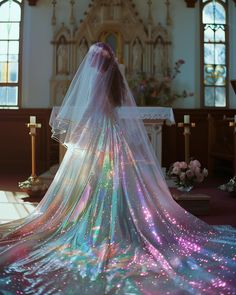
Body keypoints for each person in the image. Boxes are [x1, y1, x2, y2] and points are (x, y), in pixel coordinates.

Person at [0, 42, 236, 295]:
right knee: (117, 182)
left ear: (97, 62)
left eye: (91, 58)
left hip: (99, 138)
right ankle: (124, 222)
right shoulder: (114, 82)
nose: (88, 63)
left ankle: (100, 226)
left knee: (93, 183)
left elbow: (91, 110)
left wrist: (76, 130)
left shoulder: (97, 80)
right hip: (114, 135)